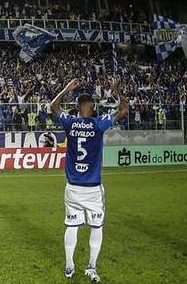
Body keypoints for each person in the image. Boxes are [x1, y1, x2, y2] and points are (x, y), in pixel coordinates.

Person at [51, 78, 128, 282]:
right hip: (93, 187)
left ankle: (69, 266)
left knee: (72, 226)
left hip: (73, 187)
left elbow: (53, 107)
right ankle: (91, 267)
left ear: (77, 107)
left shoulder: (70, 122)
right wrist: (116, 89)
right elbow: (124, 110)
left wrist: (66, 89)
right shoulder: (98, 123)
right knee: (96, 227)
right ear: (93, 107)